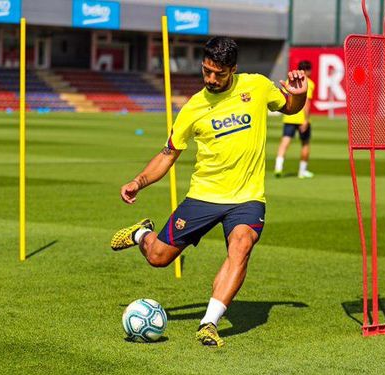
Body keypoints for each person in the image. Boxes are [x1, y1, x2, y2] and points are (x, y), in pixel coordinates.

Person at [110, 36, 307, 347]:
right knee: (159, 258)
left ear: (234, 69)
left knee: (241, 246)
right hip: (204, 195)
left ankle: (209, 323)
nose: (211, 79)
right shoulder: (193, 108)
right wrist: (139, 182)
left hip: (247, 197)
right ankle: (140, 235)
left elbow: (291, 106)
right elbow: (168, 154)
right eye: (206, 72)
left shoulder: (256, 86)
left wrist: (300, 95)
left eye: (219, 73)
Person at [274, 60, 316, 178]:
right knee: (305, 144)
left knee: (284, 143)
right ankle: (302, 172)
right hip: (301, 118)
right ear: (308, 71)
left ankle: (278, 167)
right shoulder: (308, 83)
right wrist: (306, 120)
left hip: (289, 117)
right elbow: (306, 102)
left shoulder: (289, 81)